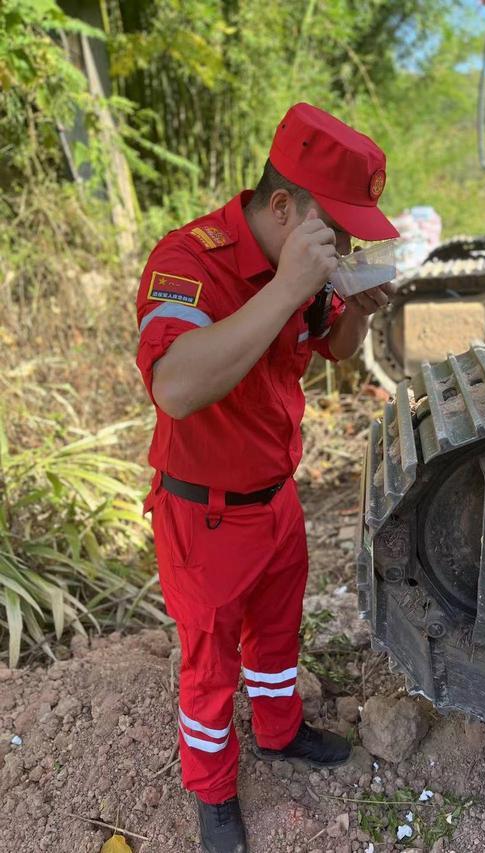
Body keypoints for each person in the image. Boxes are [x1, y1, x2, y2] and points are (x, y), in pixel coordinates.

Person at [135, 102, 399, 853]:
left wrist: (363, 312)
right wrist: (284, 287)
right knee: (210, 667)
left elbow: (332, 349)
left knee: (278, 637)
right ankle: (214, 792)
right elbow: (177, 388)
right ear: (282, 206)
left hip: (278, 501)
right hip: (205, 516)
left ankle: (280, 731)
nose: (343, 246)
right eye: (335, 229)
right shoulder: (189, 259)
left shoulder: (306, 269)